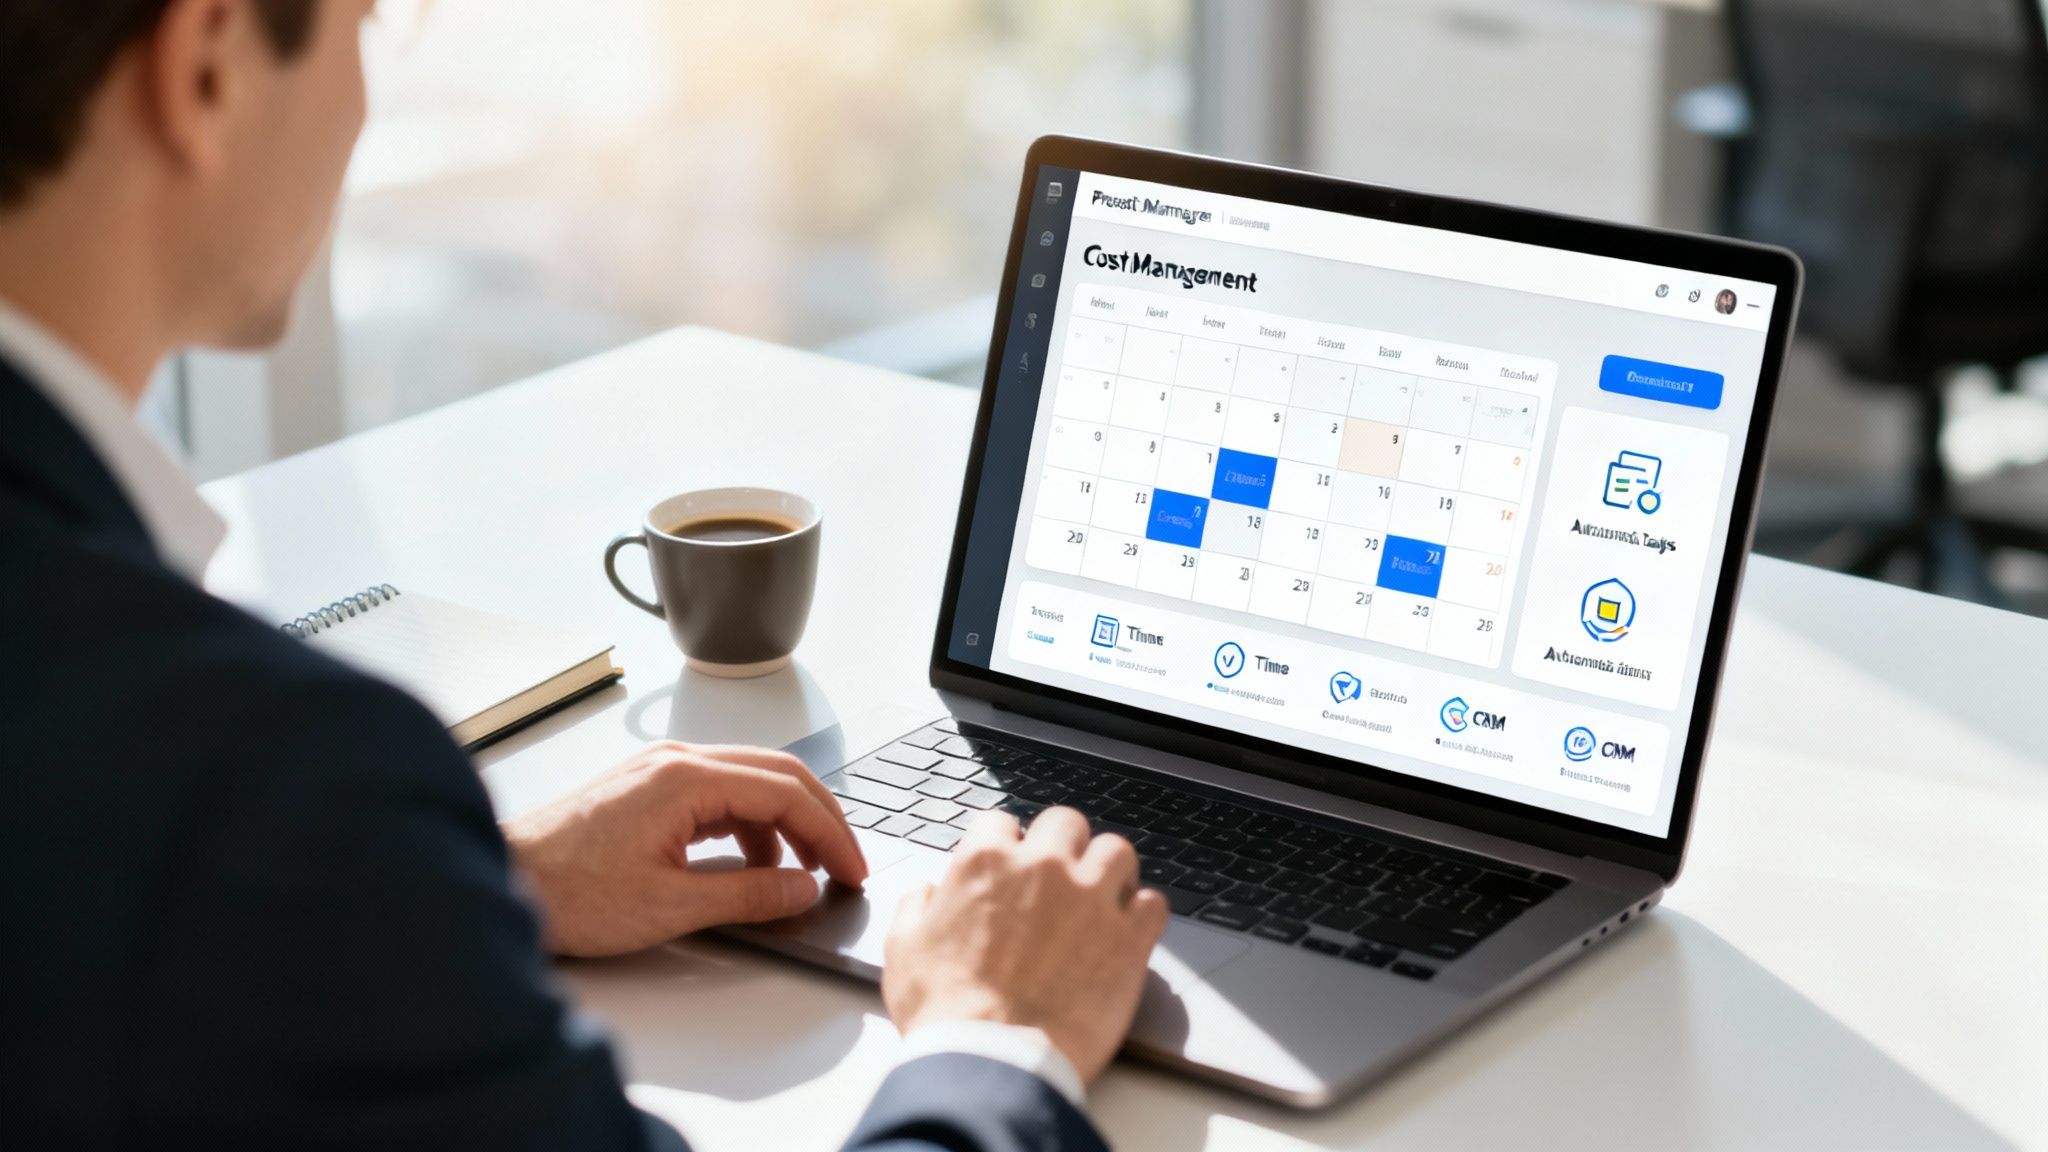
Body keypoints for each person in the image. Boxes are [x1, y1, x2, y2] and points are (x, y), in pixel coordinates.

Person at [0, 3, 1167, 1150]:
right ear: (207, 64)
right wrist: (993, 1033)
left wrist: (470, 883)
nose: (359, 108)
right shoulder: (274, 784)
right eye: (366, 30)